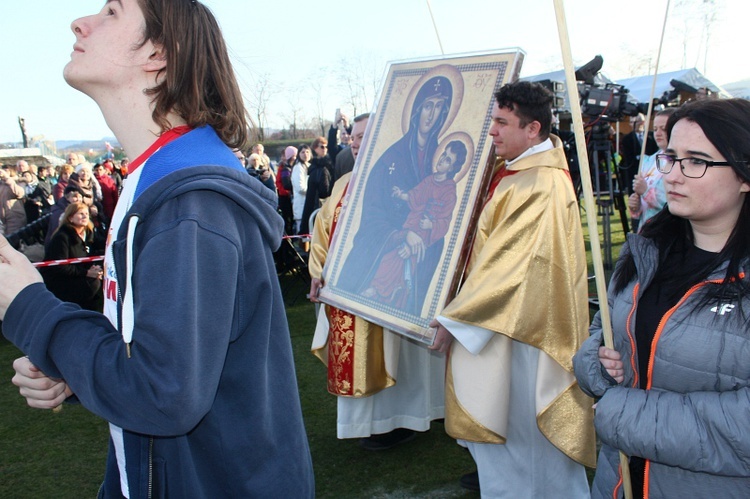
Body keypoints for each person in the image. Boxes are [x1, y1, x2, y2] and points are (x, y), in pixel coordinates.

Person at [0, 1, 314, 497]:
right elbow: (157, 353)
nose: (80, 23)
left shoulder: (189, 202)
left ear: (158, 53)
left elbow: (164, 395)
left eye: (111, 12)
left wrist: (31, 309)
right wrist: (71, 366)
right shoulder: (154, 179)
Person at [574, 98, 750, 498]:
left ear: (744, 175)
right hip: (617, 482)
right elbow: (604, 332)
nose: (671, 175)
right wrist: (596, 366)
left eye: (696, 161)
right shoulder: (645, 249)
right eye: (669, 156)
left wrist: (625, 414)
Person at [429, 81, 596, 496]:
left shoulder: (539, 184)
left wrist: (455, 320)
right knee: (514, 444)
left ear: (533, 128)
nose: (492, 132)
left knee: (526, 438)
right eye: (493, 122)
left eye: (502, 122)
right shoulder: (523, 175)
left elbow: (511, 267)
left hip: (525, 333)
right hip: (508, 322)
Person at [309, 112, 446, 449]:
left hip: (390, 284)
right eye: (353, 137)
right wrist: (316, 271)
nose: (355, 142)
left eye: (363, 136)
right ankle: (367, 423)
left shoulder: (401, 180)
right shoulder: (343, 183)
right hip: (346, 287)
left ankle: (399, 421)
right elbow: (323, 230)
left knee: (397, 358)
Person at [338, 75, 453, 305]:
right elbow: (373, 217)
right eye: (428, 106)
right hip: (389, 249)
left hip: (426, 253)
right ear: (417, 110)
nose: (432, 114)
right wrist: (403, 235)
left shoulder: (443, 156)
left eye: (439, 107)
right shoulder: (390, 158)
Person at [362, 139, 467, 311]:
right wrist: (401, 195)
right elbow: (416, 196)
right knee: (391, 257)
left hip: (425, 234)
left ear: (453, 168)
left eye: (448, 159)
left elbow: (446, 221)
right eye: (443, 155)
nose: (442, 160)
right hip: (411, 225)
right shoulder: (430, 180)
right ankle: (383, 290)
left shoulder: (449, 190)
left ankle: (381, 290)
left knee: (401, 258)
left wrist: (431, 224)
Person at [40, 202, 103, 311]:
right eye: (80, 214)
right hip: (61, 281)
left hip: (78, 274)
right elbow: (60, 266)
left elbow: (92, 253)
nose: (85, 216)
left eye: (87, 214)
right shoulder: (62, 237)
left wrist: (95, 267)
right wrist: (87, 273)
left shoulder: (88, 233)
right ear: (70, 218)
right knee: (93, 283)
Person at [627, 108, 677, 231]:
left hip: (668, 231)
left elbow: (674, 204)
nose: (658, 133)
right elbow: (642, 205)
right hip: (646, 231)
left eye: (663, 129)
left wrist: (645, 191)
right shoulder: (649, 161)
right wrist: (636, 205)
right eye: (655, 129)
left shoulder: (681, 162)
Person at [299, 136, 332, 236]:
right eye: (322, 146)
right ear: (315, 148)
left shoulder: (327, 165)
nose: (325, 149)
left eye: (326, 147)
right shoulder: (318, 168)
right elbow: (324, 191)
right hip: (318, 206)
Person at [0, 167, 27, 236]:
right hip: (2, 219)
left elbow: (19, 193)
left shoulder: (20, 182)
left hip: (15, 217)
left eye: (6, 171)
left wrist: (7, 179)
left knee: (13, 240)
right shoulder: (1, 184)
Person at [276, 145, 297, 235]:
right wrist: (287, 192)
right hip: (285, 197)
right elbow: (279, 183)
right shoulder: (283, 168)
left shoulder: (295, 167)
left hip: (291, 196)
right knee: (287, 219)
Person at [292, 144, 311, 235]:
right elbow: (300, 188)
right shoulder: (298, 167)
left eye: (307, 152)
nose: (305, 154)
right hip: (301, 204)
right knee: (303, 234)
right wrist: (313, 191)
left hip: (309, 204)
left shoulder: (310, 166)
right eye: (302, 152)